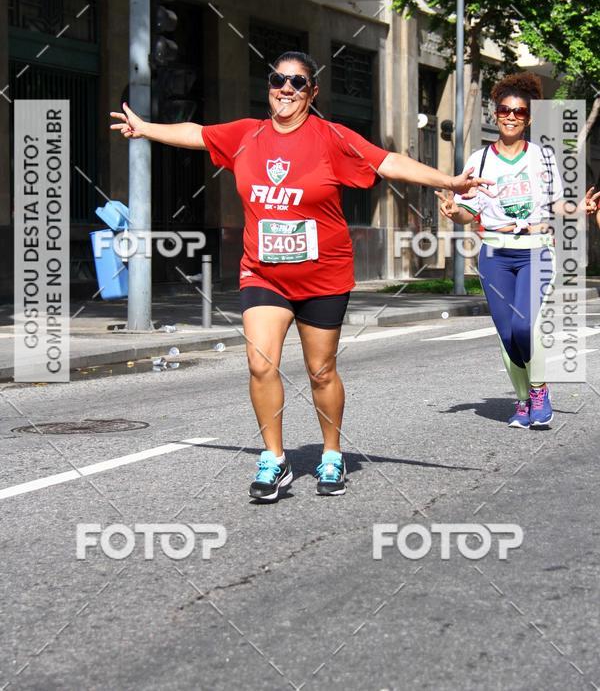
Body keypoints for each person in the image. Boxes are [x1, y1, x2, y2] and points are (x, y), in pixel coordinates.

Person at [111, 51, 492, 500]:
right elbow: (196, 133)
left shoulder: (331, 138)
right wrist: (146, 129)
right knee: (259, 363)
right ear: (268, 86)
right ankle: (274, 458)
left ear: (312, 92)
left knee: (321, 370)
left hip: (323, 277)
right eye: (278, 79)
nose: (285, 89)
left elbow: (386, 161)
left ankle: (332, 453)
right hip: (263, 274)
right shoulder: (246, 135)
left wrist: (447, 183)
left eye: (297, 82)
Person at [436, 72, 599, 428]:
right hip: (494, 252)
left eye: (519, 112)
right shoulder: (479, 161)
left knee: (525, 326)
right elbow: (469, 213)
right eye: (505, 110)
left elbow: (557, 205)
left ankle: (539, 391)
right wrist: (455, 212)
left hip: (536, 250)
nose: (511, 116)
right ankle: (523, 401)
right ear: (495, 113)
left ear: (528, 118)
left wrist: (579, 209)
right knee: (506, 331)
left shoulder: (542, 157)